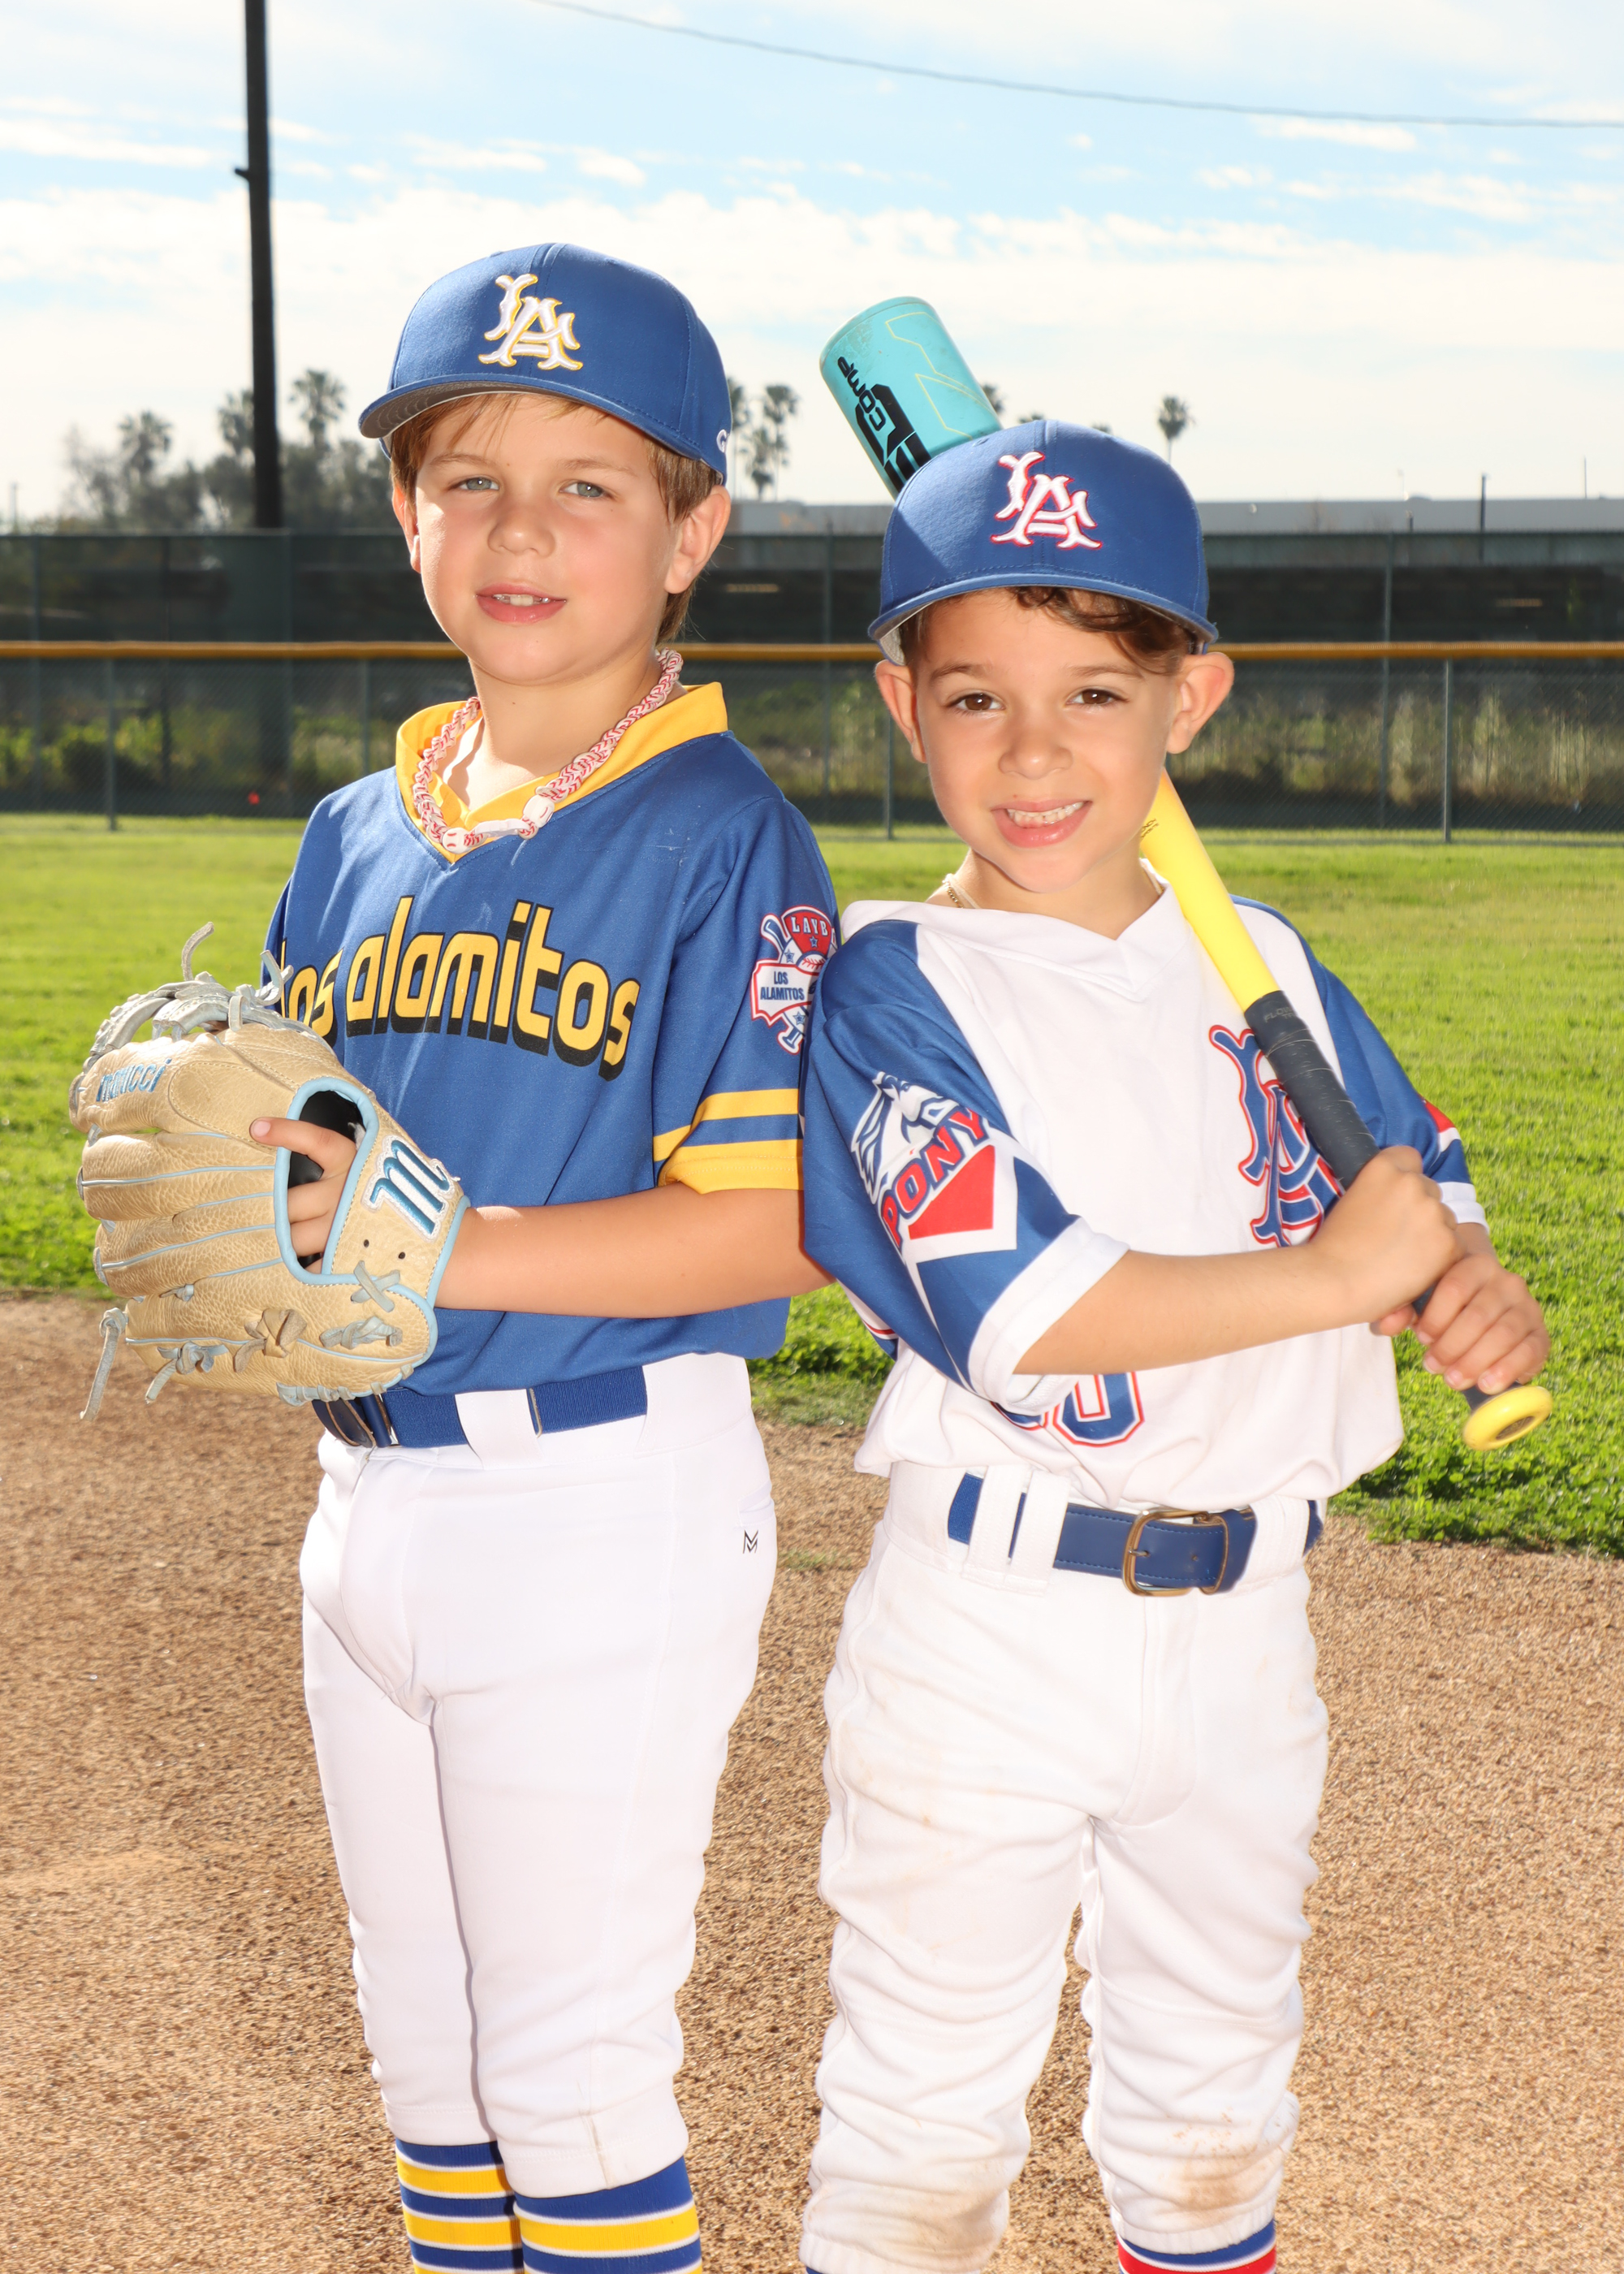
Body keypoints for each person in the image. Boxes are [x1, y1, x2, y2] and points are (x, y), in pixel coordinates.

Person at [794, 422, 1548, 2274]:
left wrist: (1461, 1288)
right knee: (921, 2119)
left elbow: (1417, 1213)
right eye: (974, 696)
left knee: (1214, 2097)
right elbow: (1033, 1316)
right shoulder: (893, 982)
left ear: (1189, 699)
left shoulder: (1262, 957)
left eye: (1094, 693)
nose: (1032, 753)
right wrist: (1340, 1275)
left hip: (1249, 1622)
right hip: (989, 1630)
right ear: (902, 705)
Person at [250, 243, 836, 2274]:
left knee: (569, 2081)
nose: (519, 532)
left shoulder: (722, 832)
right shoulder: (359, 828)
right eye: (467, 478)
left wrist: (432, 1238)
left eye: (588, 485)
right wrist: (231, 1180)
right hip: (361, 1493)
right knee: (433, 2075)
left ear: (693, 531)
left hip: (594, 1492)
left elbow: (776, 1219)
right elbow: (300, 1157)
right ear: (405, 513)